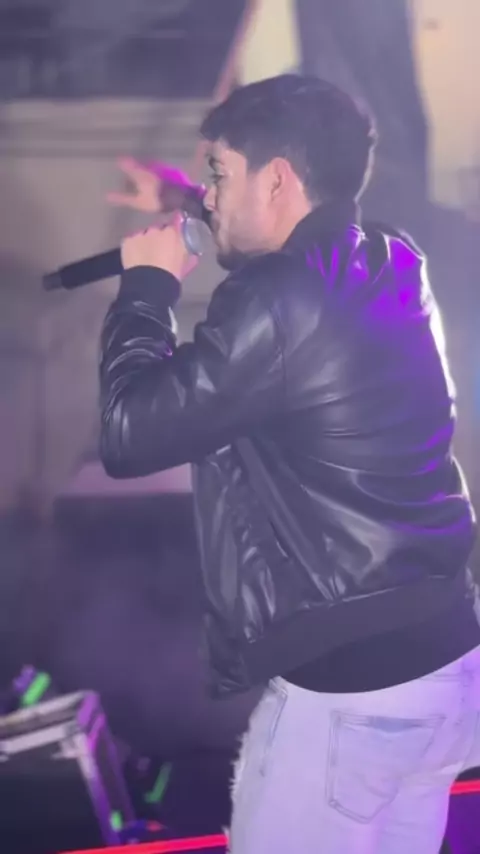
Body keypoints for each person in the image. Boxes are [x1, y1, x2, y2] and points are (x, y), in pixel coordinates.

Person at [99, 75, 480, 853]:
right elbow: (286, 246)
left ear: (276, 179)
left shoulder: (278, 300)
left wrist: (146, 287)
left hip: (351, 694)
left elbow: (130, 432)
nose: (210, 193)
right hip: (442, 663)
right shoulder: (390, 257)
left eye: (218, 174)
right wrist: (184, 198)